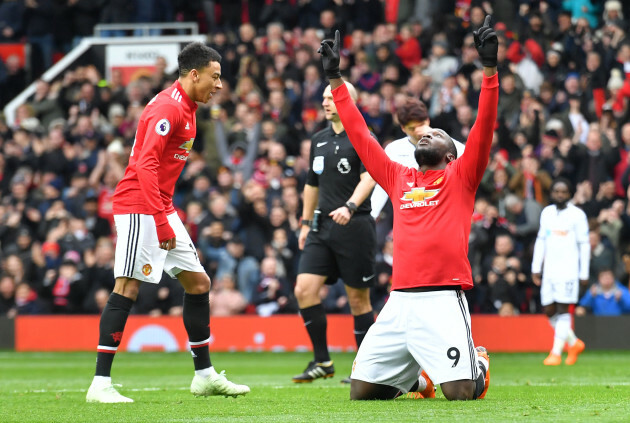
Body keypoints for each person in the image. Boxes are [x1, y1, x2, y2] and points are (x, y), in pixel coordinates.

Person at [318, 18, 497, 401]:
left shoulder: (462, 176)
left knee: (461, 394)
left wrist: (489, 70)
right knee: (363, 393)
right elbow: (360, 135)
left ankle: (477, 364)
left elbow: (484, 125)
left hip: (442, 297)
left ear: (451, 155)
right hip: (399, 299)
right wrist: (335, 79)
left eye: (436, 133)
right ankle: (418, 380)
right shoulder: (398, 176)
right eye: (423, 133)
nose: (425, 133)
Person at [86, 42, 250, 403]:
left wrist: (163, 213)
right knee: (127, 287)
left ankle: (204, 376)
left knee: (198, 283)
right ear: (194, 74)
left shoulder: (188, 108)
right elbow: (145, 164)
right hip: (139, 205)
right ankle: (100, 384)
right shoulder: (168, 108)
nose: (219, 85)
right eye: (215, 77)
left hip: (160, 205)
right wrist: (160, 220)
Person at [292, 80, 377, 385]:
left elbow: (370, 177)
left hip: (354, 226)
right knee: (304, 289)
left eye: (332, 97)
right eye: (325, 98)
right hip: (322, 227)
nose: (326, 102)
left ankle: (366, 368)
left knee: (358, 300)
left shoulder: (363, 136)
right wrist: (305, 224)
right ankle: (322, 361)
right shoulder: (319, 139)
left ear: (349, 102)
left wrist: (350, 206)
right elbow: (311, 185)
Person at [370, 97, 465, 219]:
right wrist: (372, 215)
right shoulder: (393, 149)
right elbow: (382, 185)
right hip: (408, 213)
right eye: (412, 128)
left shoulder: (455, 147)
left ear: (428, 121)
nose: (418, 131)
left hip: (443, 211)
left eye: (421, 125)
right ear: (403, 128)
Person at [531, 178, 590, 366]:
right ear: (552, 193)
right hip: (549, 270)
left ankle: (555, 353)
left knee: (563, 309)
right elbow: (541, 240)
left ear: (569, 194)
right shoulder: (547, 212)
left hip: (569, 270)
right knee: (549, 310)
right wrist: (536, 267)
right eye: (557, 191)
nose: (560, 195)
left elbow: (584, 244)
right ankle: (574, 343)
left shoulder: (577, 215)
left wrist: (584, 273)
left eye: (563, 192)